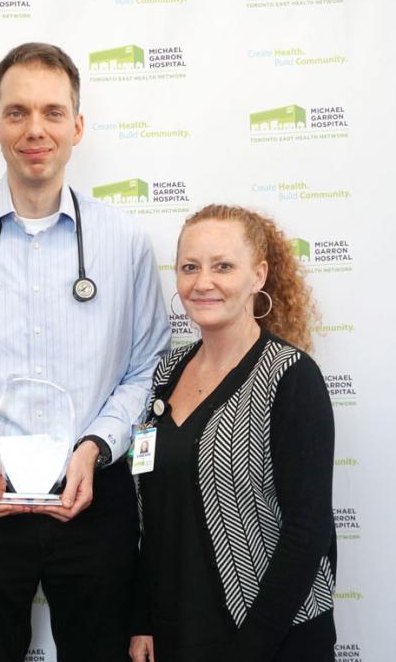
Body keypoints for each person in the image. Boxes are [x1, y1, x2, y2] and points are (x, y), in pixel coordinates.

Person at [0, 42, 171, 661]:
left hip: (94, 496)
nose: (35, 129)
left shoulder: (125, 240)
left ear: (77, 125)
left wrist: (96, 445)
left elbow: (147, 367)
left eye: (53, 112)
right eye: (17, 112)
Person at [128, 205, 336, 662]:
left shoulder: (291, 377)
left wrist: (253, 646)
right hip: (177, 631)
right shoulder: (164, 375)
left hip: (272, 638)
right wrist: (142, 618)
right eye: (190, 267)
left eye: (223, 266)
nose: (203, 282)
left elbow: (308, 530)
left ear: (258, 275)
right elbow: (152, 516)